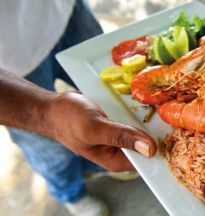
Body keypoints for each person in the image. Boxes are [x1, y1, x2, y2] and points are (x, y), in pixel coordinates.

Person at [0, 0, 157, 216]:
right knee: (50, 151)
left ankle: (99, 164)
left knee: (107, 105)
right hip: (8, 60)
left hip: (67, 11)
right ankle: (72, 195)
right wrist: (44, 114)